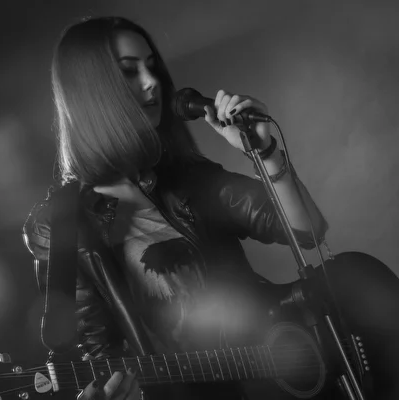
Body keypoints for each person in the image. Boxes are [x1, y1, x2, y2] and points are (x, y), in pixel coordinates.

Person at [23, 16, 329, 400]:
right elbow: (97, 356)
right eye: (130, 72)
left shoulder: (185, 176)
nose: (152, 82)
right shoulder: (62, 225)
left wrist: (264, 151)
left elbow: (306, 230)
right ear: (92, 93)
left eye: (152, 66)